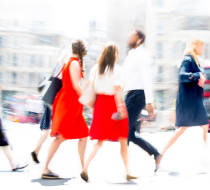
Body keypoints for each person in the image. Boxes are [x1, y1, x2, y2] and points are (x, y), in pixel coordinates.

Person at [81, 43, 136, 182]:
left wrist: (94, 109)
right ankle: (128, 171)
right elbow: (117, 90)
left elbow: (91, 90)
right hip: (113, 104)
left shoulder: (96, 69)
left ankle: (85, 168)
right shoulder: (117, 70)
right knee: (123, 139)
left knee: (99, 141)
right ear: (115, 55)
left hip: (100, 105)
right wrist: (120, 110)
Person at [157, 39, 209, 168]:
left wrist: (201, 76)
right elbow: (182, 76)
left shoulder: (194, 59)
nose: (203, 49)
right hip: (190, 102)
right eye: (202, 46)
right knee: (183, 129)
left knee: (203, 126)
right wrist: (198, 75)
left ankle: (205, 158)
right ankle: (160, 154)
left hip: (193, 100)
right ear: (195, 46)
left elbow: (195, 76)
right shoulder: (188, 59)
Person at [41, 40, 89, 179]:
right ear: (82, 50)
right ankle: (45, 168)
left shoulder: (70, 62)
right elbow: (75, 85)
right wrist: (87, 100)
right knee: (61, 137)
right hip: (69, 104)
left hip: (71, 104)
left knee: (83, 134)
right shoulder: (74, 62)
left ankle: (83, 168)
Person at [123, 30, 162, 171]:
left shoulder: (142, 54)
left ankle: (125, 169)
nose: (129, 37)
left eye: (131, 35)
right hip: (130, 94)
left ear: (139, 39)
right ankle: (156, 154)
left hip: (138, 95)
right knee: (131, 134)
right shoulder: (130, 54)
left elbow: (146, 78)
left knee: (124, 130)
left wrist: (150, 101)